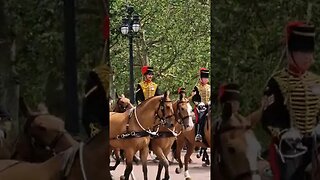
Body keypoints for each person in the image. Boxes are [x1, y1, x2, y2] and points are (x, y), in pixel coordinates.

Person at [261, 21, 320, 180]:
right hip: (288, 147)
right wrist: (284, 133)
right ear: (291, 52)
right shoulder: (276, 82)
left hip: (316, 143)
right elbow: (268, 117)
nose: (307, 57)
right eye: (302, 51)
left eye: (309, 52)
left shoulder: (316, 81)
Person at [190, 67, 211, 142]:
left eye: (206, 78)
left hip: (209, 105)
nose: (206, 79)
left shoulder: (209, 87)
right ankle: (199, 134)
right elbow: (194, 98)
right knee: (202, 116)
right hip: (200, 106)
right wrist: (199, 103)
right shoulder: (197, 87)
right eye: (204, 78)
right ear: (201, 79)